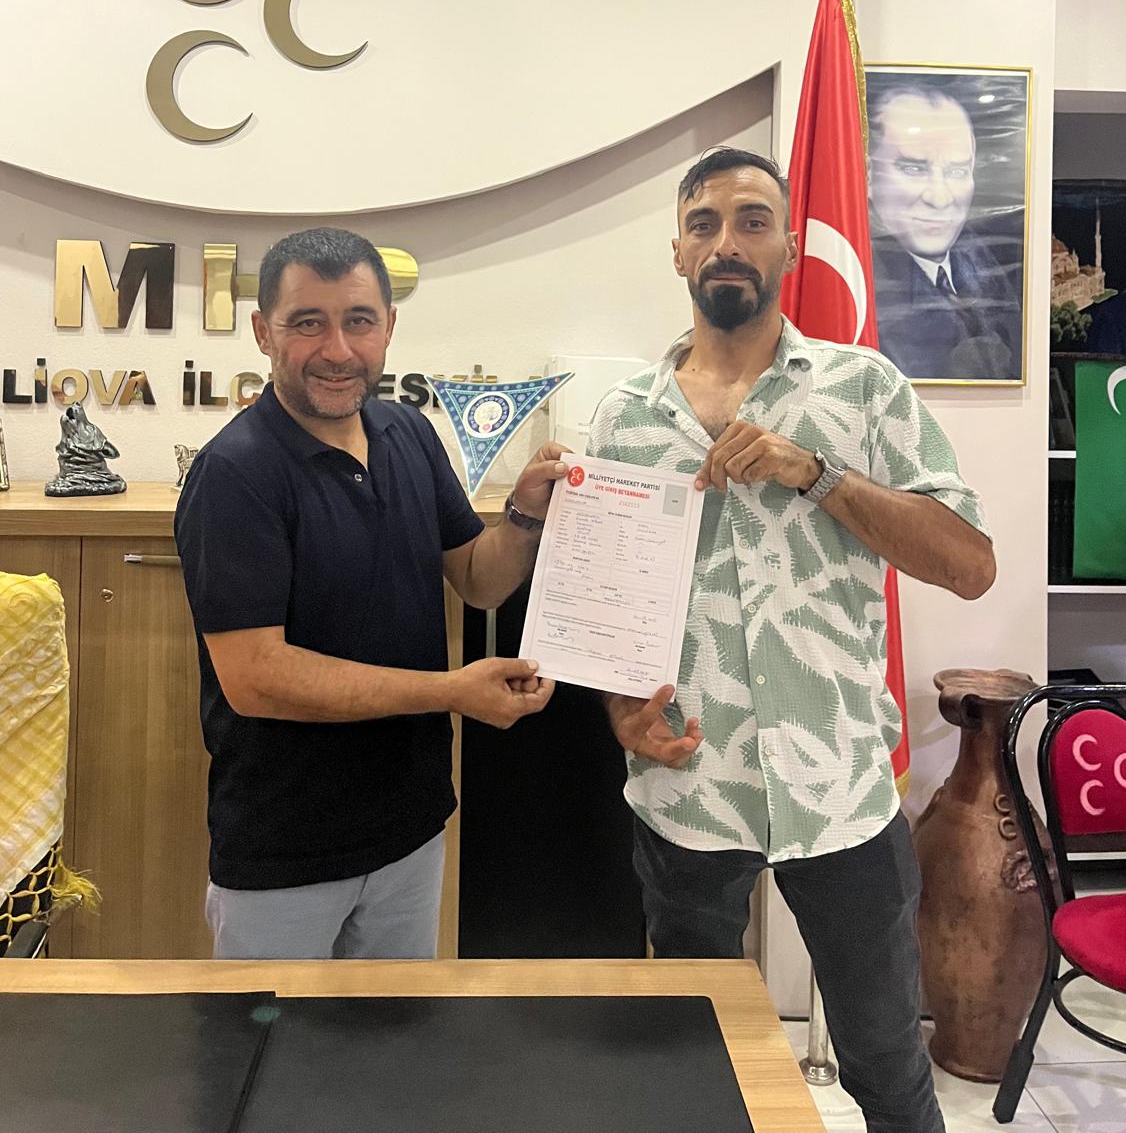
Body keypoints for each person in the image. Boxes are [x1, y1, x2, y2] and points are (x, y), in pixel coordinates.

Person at [589, 147, 995, 1133]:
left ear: (790, 245)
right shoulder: (625, 416)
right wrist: (619, 707)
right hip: (689, 790)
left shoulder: (864, 389)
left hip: (842, 788)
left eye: (752, 220)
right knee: (689, 1072)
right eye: (703, 223)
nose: (726, 241)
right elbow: (609, 602)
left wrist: (817, 472)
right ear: (677, 251)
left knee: (889, 1070)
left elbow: (968, 564)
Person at [176, 227, 565, 960]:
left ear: (388, 326)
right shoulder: (235, 474)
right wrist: (450, 691)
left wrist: (523, 513)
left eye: (358, 320)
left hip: (410, 833)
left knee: (396, 1033)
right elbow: (256, 678)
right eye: (307, 323)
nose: (337, 349)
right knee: (273, 1038)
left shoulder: (406, 432)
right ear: (262, 332)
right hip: (284, 852)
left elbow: (479, 578)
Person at [868, 84, 1022, 381]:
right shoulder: (856, 289)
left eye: (957, 171)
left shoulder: (994, 270)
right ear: (868, 176)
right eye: (914, 169)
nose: (940, 198)